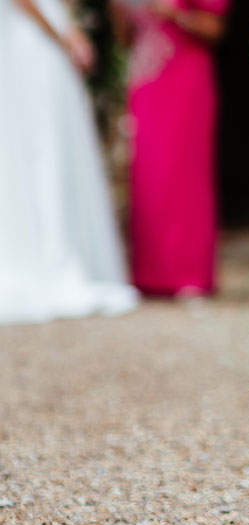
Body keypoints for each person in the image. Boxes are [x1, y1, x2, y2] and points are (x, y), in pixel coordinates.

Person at [0, 0, 138, 324]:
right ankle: (51, 257)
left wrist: (69, 26)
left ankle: (61, 253)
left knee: (55, 148)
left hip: (44, 37)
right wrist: (64, 36)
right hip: (33, 41)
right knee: (43, 151)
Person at [112, 0, 230, 296]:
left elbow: (215, 29)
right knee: (148, 177)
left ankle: (190, 272)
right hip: (146, 82)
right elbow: (125, 39)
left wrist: (175, 13)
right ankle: (149, 273)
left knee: (185, 175)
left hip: (185, 78)